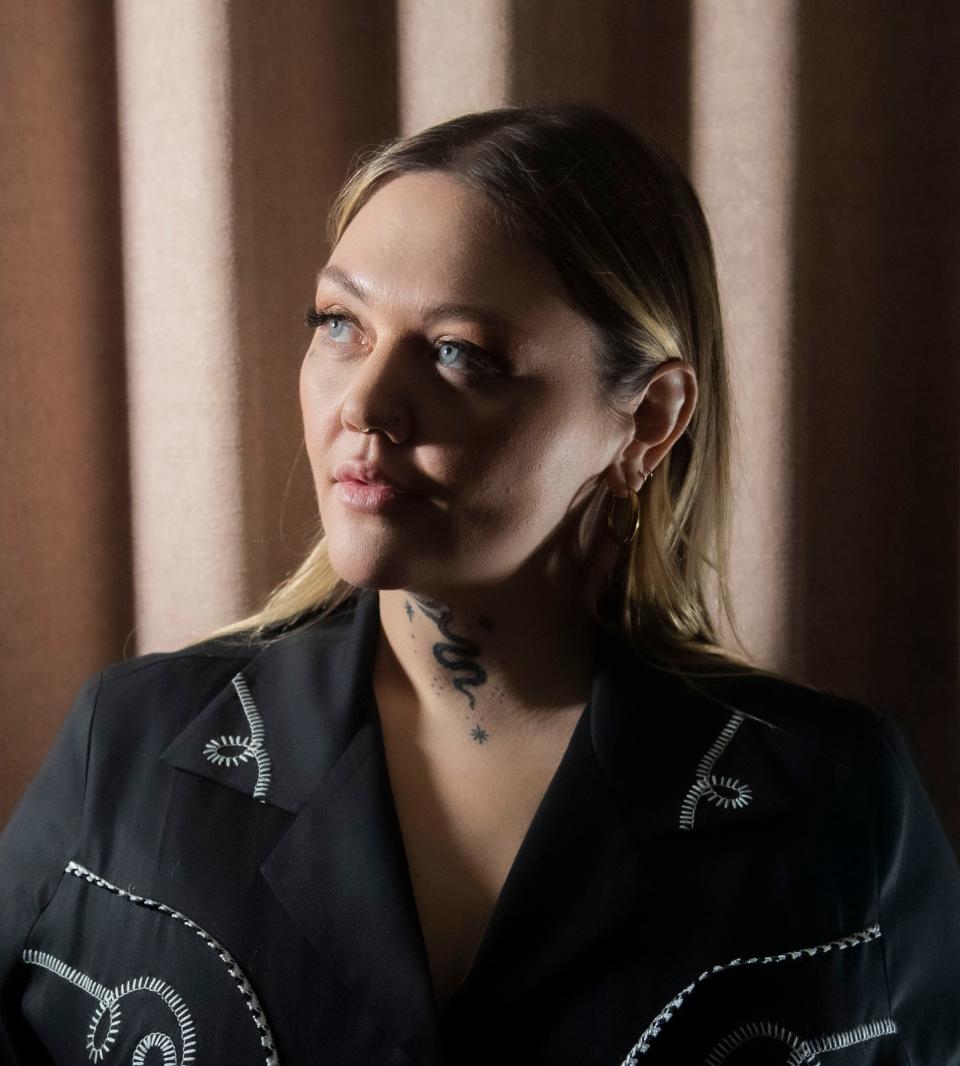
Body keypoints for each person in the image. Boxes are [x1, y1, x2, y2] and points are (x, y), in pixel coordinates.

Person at [1, 102, 958, 1065]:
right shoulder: (126, 747)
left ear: (649, 422)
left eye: (459, 351)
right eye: (339, 324)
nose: (365, 403)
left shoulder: (836, 802)